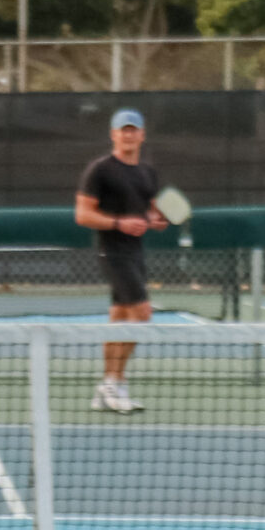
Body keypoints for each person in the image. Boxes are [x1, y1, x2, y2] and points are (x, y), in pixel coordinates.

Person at [73, 109, 165, 412]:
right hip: (112, 252)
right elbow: (83, 215)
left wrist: (155, 219)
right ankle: (115, 383)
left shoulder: (147, 172)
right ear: (114, 134)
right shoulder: (99, 170)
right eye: (122, 130)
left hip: (136, 252)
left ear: (142, 135)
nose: (128, 134)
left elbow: (152, 211)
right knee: (142, 315)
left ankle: (107, 388)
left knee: (119, 320)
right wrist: (118, 223)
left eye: (133, 129)